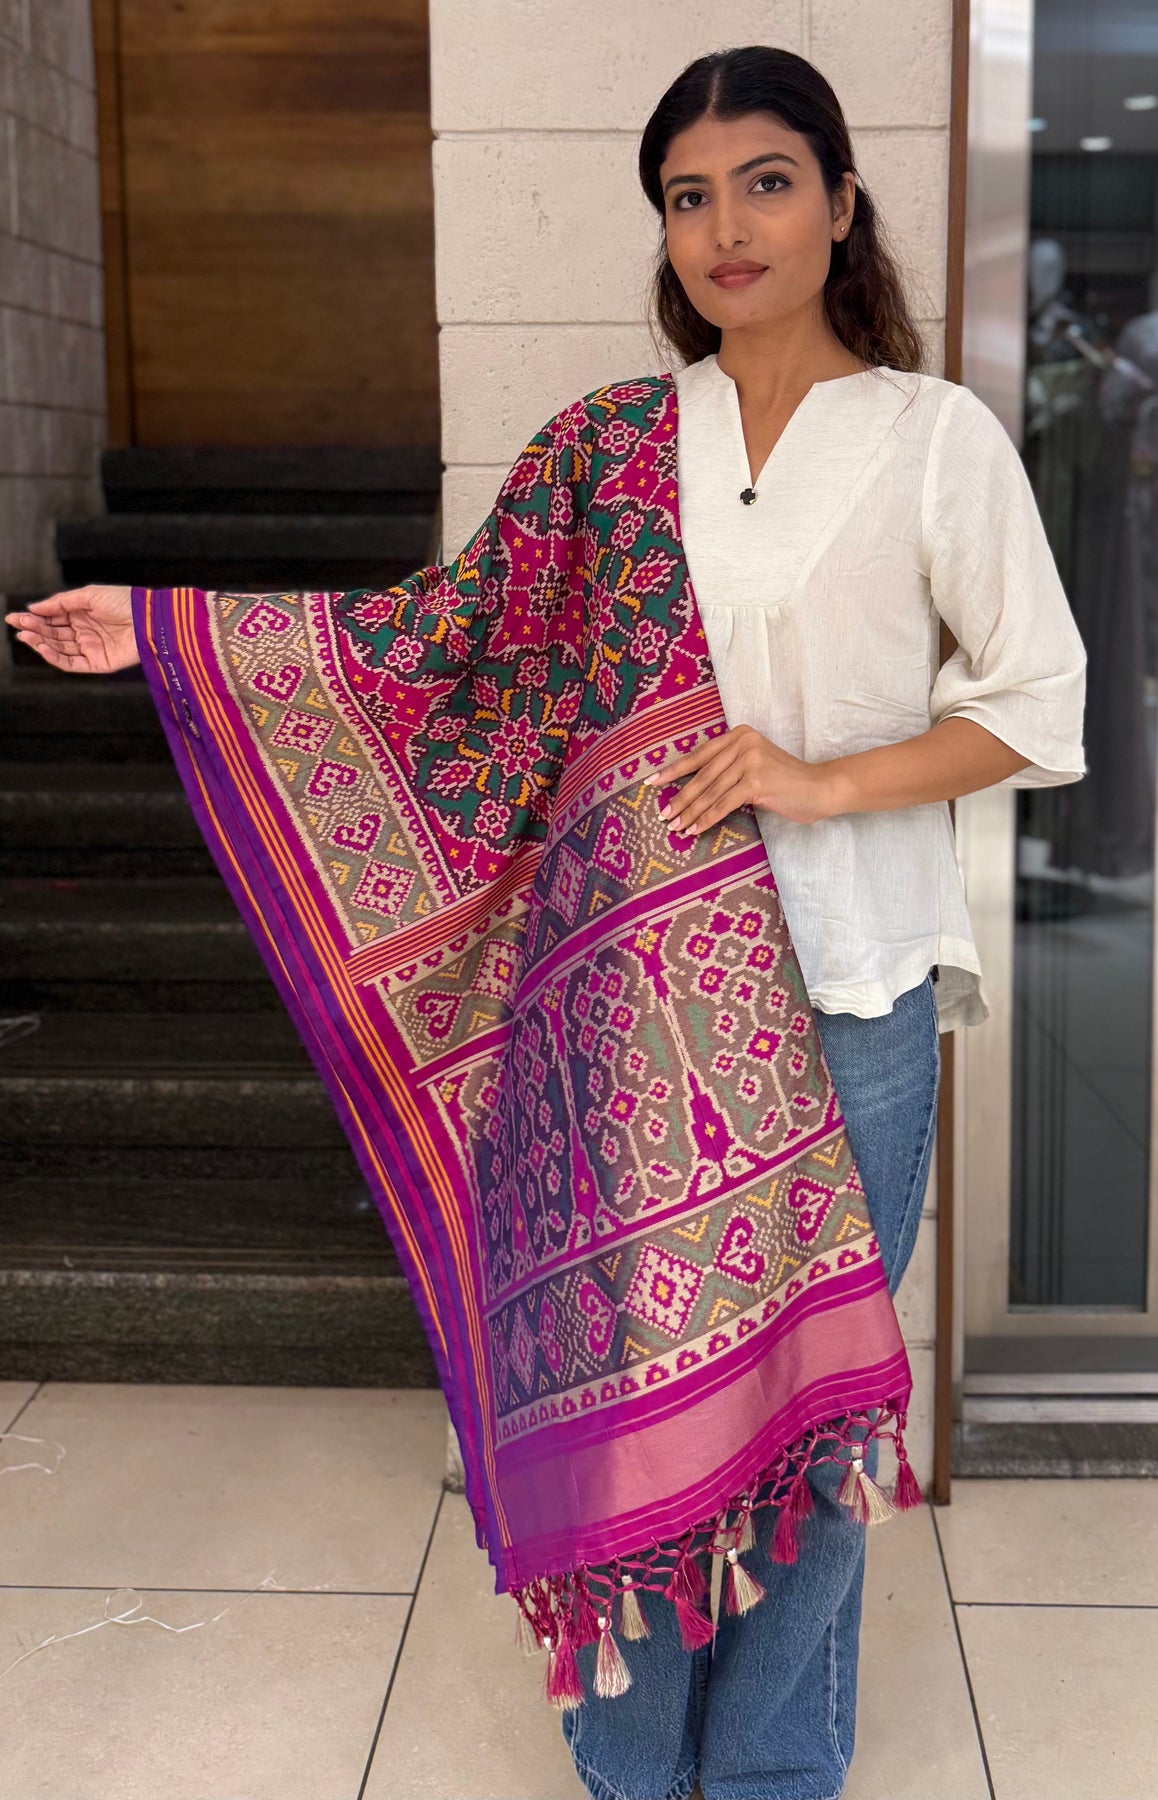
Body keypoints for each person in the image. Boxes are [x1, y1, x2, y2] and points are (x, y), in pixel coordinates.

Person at [7, 44, 1086, 1800]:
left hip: (852, 990)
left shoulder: (931, 439)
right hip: (622, 1016)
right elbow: (433, 646)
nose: (725, 227)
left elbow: (1039, 707)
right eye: (687, 196)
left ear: (838, 203)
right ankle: (629, 1763)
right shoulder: (606, 448)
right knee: (634, 1403)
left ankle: (771, 1769)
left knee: (815, 1418)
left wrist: (816, 783)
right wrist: (170, 626)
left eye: (764, 182)